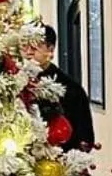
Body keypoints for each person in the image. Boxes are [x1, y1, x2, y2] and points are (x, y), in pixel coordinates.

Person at [32, 23, 96, 153]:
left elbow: (85, 138)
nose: (28, 52)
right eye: (24, 45)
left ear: (50, 49)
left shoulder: (71, 89)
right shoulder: (15, 82)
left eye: (35, 46)